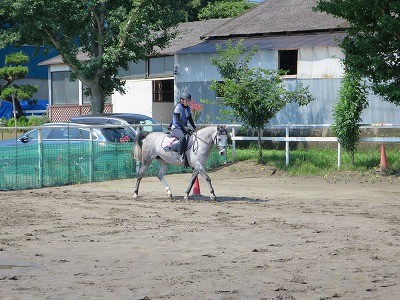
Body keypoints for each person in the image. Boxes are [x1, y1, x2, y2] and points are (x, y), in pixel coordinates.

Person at [171, 92, 196, 162]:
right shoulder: (178, 108)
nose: (188, 103)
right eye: (187, 101)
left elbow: (190, 119)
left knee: (193, 137)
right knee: (182, 138)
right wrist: (185, 128)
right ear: (181, 100)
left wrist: (195, 127)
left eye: (189, 101)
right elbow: (178, 121)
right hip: (176, 128)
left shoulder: (188, 108)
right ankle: (179, 155)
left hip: (183, 128)